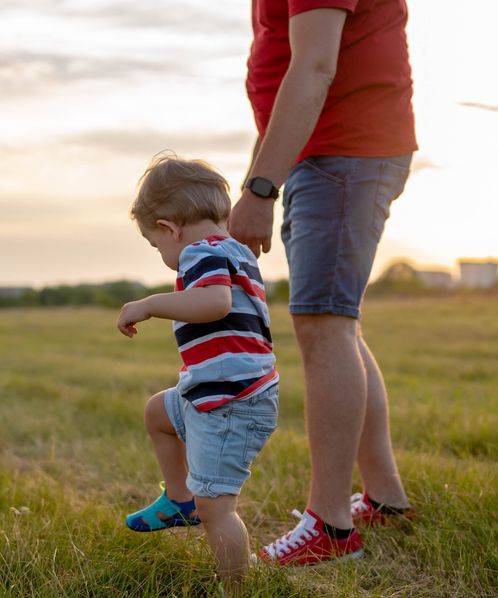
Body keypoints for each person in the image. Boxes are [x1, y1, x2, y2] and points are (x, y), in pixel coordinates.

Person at [229, 0, 417, 566]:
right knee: (337, 325)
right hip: (328, 152)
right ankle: (384, 498)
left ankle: (331, 527)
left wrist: (261, 189)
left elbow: (314, 66)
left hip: (342, 149)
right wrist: (258, 177)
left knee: (324, 325)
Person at [118, 153, 281, 591]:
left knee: (219, 509)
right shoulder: (233, 250)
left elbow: (215, 304)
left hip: (231, 402)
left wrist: (150, 304)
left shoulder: (199, 253)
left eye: (157, 246)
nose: (163, 256)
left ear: (169, 228)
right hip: (211, 393)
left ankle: (236, 588)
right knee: (158, 413)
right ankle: (178, 499)